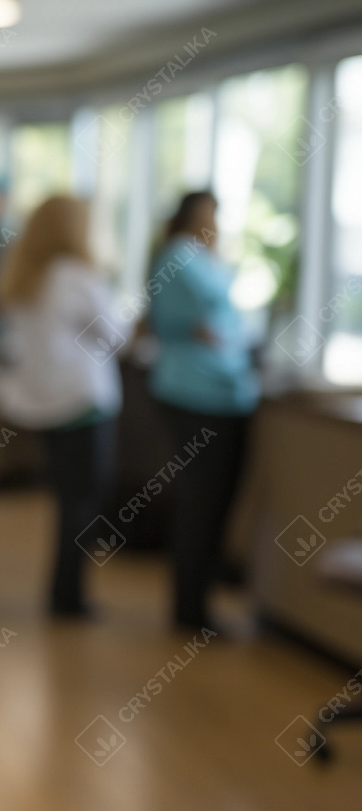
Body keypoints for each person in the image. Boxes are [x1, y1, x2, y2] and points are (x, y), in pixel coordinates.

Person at [0, 195, 121, 616]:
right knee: (83, 502)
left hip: (44, 405)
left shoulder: (24, 275)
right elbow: (114, 334)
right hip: (83, 402)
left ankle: (63, 592)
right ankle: (70, 596)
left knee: (66, 500)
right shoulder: (78, 276)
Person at [147, 190, 258, 630]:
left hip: (226, 393)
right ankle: (190, 610)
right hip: (195, 394)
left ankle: (198, 604)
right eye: (209, 212)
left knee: (216, 502)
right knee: (203, 501)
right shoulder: (180, 256)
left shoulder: (205, 258)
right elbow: (189, 322)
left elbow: (220, 324)